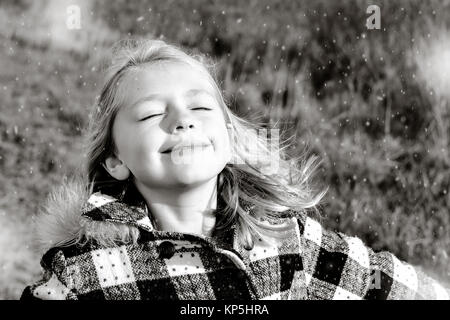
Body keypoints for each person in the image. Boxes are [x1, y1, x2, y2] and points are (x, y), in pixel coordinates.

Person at [21, 39, 449, 300]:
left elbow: (389, 284)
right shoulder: (84, 273)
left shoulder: (286, 241)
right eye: (153, 115)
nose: (183, 120)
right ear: (115, 160)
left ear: (227, 139)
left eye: (201, 107)